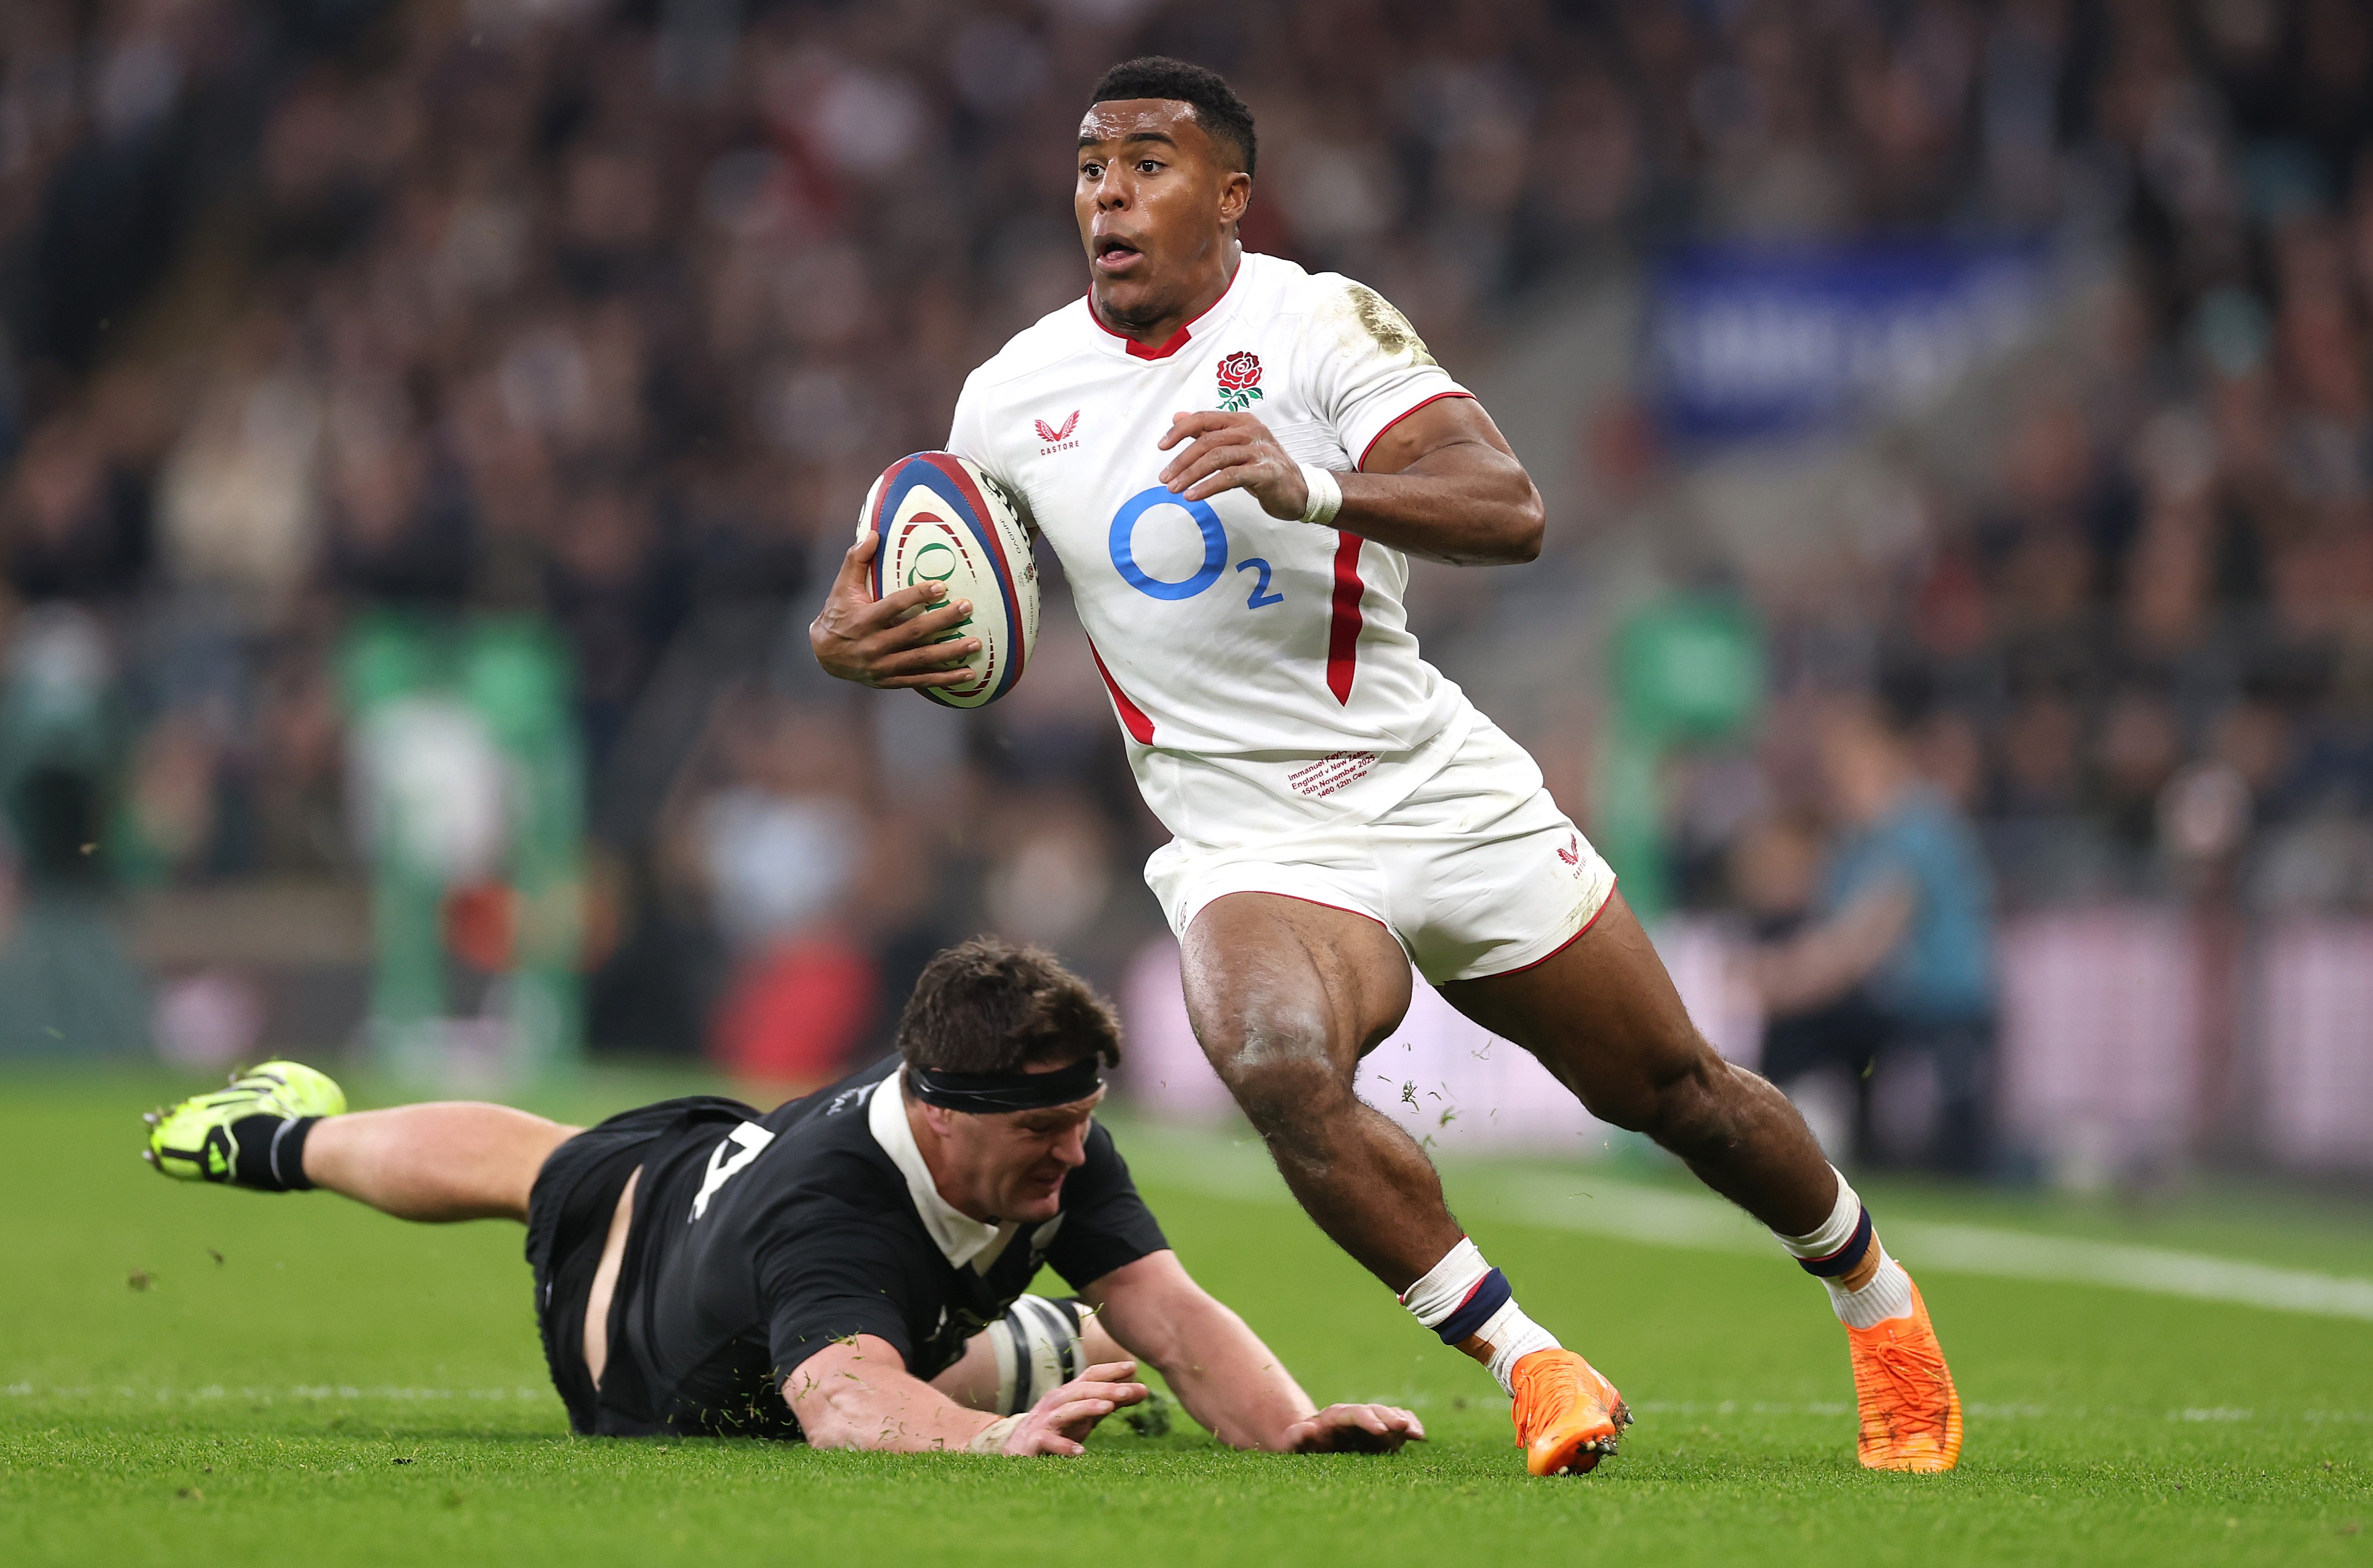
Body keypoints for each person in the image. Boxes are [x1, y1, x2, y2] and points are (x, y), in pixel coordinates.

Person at [810, 57, 1960, 1475]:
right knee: (1274, 1061)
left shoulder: (1320, 323)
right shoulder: (1011, 395)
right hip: (1243, 836)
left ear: (1231, 196)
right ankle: (1532, 1364)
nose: (1107, 193)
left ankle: (1876, 1300)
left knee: (1673, 1093)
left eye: (1148, 165)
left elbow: (1509, 506)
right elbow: (927, 588)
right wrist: (848, 642)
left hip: (1425, 780)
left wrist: (1311, 483)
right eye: (1091, 168)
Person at [141, 938, 1424, 1458]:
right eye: (1044, 1130)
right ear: (939, 1113)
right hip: (633, 1347)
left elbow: (1179, 1314)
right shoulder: (834, 1220)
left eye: (1081, 1123)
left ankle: (1052, 1356)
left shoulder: (1037, 1133)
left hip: (753, 1222)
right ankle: (274, 1135)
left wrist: (1291, 1428)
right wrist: (983, 1444)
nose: (1071, 1159)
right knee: (546, 1169)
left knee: (1103, 1332)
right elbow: (846, 1406)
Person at [1748, 698, 1996, 1174]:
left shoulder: (1919, 826)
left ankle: (1754, 1135)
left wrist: (1779, 979)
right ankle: (1771, 1138)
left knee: (1803, 1021)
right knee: (1814, 1021)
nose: (1836, 777)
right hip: (1892, 1003)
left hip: (1944, 1004)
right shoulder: (1852, 841)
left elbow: (1861, 943)